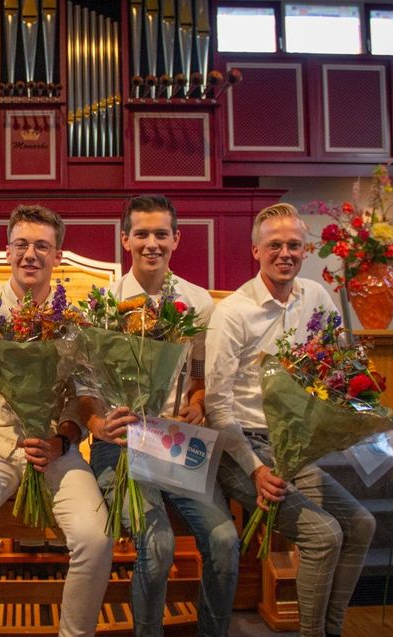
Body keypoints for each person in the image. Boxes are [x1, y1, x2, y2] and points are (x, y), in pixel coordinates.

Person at [0, 204, 112, 637]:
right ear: (7, 250)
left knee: (96, 537)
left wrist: (62, 440)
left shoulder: (74, 319)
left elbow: (82, 393)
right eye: (22, 244)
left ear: (58, 256)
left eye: (42, 246)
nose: (30, 254)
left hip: (54, 450)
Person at [205, 203, 376, 637]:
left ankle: (331, 629)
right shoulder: (233, 313)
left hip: (294, 447)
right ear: (256, 251)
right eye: (275, 245)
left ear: (306, 250)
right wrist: (256, 470)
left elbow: (336, 370)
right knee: (324, 536)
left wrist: (360, 418)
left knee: (360, 524)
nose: (285, 253)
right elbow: (217, 405)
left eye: (294, 245)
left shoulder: (316, 297)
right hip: (242, 448)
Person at [85, 194, 238, 637]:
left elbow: (202, 375)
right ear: (124, 239)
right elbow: (84, 383)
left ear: (176, 238)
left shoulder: (198, 303)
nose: (151, 243)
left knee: (226, 541)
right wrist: (98, 423)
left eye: (161, 234)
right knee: (159, 545)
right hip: (121, 446)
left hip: (175, 443)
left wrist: (199, 401)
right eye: (142, 234)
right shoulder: (104, 303)